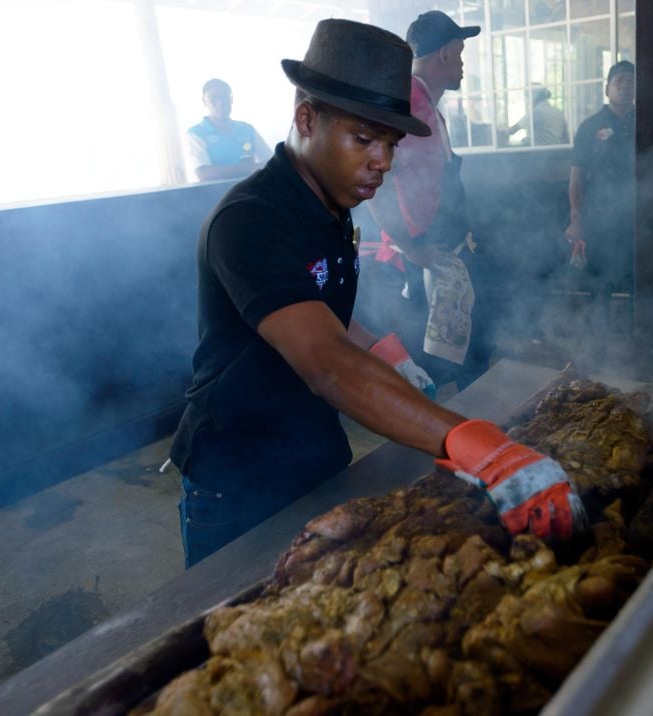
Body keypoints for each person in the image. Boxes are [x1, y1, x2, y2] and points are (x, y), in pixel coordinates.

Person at [168, 19, 588, 568]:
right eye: (363, 138)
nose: (383, 161)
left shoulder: (332, 204)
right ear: (305, 118)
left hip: (315, 450)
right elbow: (324, 363)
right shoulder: (251, 220)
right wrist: (479, 445)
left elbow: (320, 315)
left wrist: (384, 353)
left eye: (389, 143)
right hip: (240, 471)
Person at [362, 11, 489, 391]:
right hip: (422, 258)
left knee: (466, 355)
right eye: (461, 54)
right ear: (446, 54)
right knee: (433, 366)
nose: (463, 65)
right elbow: (376, 183)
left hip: (444, 247)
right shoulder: (409, 107)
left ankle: (468, 428)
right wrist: (410, 246)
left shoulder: (425, 102)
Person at [565, 61, 636, 292]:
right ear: (607, 89)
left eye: (631, 82)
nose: (625, 87)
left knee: (637, 281)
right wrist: (576, 219)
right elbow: (577, 178)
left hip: (639, 218)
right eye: (619, 81)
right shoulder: (590, 127)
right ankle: (600, 327)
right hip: (600, 218)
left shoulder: (648, 124)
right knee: (601, 283)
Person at [185, 78, 274, 182]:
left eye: (224, 97)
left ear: (231, 100)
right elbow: (203, 173)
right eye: (213, 98)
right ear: (204, 101)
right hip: (215, 195)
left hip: (249, 192)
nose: (220, 103)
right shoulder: (195, 134)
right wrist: (247, 168)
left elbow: (271, 163)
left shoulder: (247, 129)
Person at [502, 84, 569, 146]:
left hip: (539, 152)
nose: (527, 100)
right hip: (557, 151)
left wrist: (501, 132)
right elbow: (565, 134)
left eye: (527, 96)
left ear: (532, 96)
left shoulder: (536, 112)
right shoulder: (557, 112)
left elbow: (513, 130)